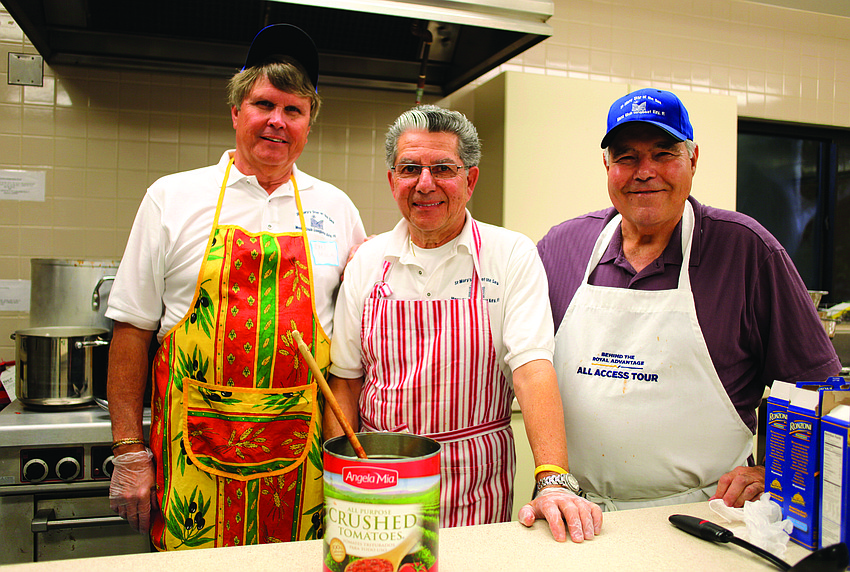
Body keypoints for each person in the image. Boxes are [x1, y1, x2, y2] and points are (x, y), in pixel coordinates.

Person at [105, 23, 366, 549]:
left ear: (308, 123)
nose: (277, 121)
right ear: (235, 112)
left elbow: (352, 349)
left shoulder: (337, 209)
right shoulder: (172, 198)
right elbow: (132, 330)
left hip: (303, 467)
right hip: (193, 456)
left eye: (294, 110)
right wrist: (130, 450)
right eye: (263, 104)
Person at [536, 88, 841, 511]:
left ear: (693, 160)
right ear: (607, 165)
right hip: (577, 513)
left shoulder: (746, 251)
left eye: (663, 154)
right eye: (626, 157)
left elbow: (818, 391)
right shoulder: (562, 247)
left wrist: (774, 468)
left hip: (702, 513)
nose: (644, 172)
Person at [326, 104, 602, 543]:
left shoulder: (510, 254)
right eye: (410, 169)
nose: (425, 184)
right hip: (382, 476)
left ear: (470, 180)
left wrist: (552, 477)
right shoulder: (368, 262)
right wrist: (342, 478)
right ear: (392, 180)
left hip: (475, 479)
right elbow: (345, 382)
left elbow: (531, 369)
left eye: (443, 169)